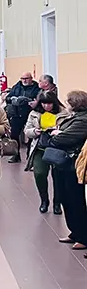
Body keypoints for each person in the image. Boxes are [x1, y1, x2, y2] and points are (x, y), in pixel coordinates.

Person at [54, 90, 87, 252]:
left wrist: (56, 134)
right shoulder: (72, 117)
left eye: (68, 101)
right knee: (64, 197)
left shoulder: (83, 120)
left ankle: (83, 236)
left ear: (75, 104)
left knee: (76, 200)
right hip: (63, 162)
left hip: (74, 164)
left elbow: (63, 138)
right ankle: (74, 231)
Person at [24, 92, 64, 214]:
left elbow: (69, 130)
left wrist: (58, 131)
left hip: (58, 148)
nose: (47, 106)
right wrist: (35, 131)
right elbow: (27, 130)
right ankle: (44, 200)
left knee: (58, 177)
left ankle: (57, 202)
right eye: (44, 103)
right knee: (40, 174)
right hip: (40, 148)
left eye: (49, 103)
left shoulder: (64, 113)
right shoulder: (35, 113)